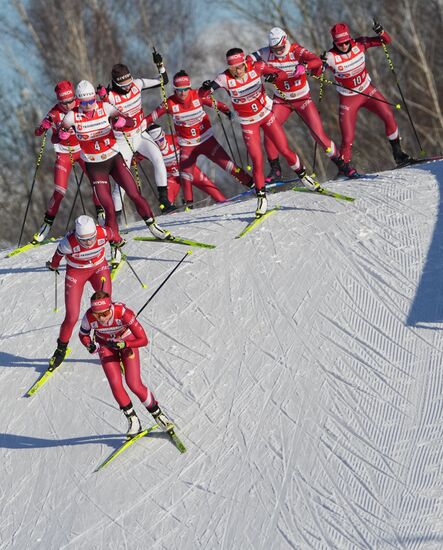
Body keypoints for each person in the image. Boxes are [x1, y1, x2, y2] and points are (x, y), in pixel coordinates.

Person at [201, 48, 320, 218]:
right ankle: (262, 198)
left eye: (239, 67)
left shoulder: (256, 67)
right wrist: (206, 88)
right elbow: (202, 94)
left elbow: (280, 73)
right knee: (257, 161)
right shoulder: (224, 78)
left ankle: (304, 177)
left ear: (244, 63)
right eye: (233, 68)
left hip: (266, 116)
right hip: (249, 124)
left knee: (284, 149)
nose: (237, 71)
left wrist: (274, 76)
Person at [59, 80, 170, 260]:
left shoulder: (105, 107)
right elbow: (57, 137)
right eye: (84, 103)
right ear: (78, 102)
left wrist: (121, 121)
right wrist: (61, 134)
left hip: (114, 159)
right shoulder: (72, 116)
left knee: (134, 193)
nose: (89, 106)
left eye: (91, 101)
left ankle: (153, 227)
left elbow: (131, 120)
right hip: (95, 167)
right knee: (109, 207)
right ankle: (115, 246)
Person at [250, 28, 358, 180]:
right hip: (282, 101)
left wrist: (304, 66)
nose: (278, 51)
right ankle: (276, 171)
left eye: (280, 47)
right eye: (275, 48)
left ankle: (344, 166)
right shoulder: (266, 52)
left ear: (285, 41)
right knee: (269, 133)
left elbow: (317, 60)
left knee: (318, 135)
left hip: (302, 99)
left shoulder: (296, 50)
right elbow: (248, 61)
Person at [145, 70, 253, 203]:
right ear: (174, 90)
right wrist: (135, 128)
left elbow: (218, 105)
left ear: (189, 88)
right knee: (185, 175)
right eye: (179, 90)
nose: (182, 93)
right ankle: (189, 205)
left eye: (185, 89)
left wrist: (227, 112)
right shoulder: (170, 103)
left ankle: (252, 184)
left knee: (228, 165)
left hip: (206, 140)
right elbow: (151, 118)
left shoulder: (197, 95)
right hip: (186, 145)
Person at [79, 290, 174, 437]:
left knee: (133, 383)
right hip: (105, 345)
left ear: (110, 308)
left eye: (104, 314)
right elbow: (83, 334)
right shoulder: (89, 317)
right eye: (97, 315)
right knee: (115, 383)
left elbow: (143, 340)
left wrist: (125, 344)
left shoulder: (123, 313)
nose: (101, 319)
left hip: (126, 343)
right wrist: (89, 344)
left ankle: (158, 414)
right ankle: (133, 420)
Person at [322, 21, 411, 170]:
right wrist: (320, 63)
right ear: (334, 42)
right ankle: (345, 169)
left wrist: (381, 32)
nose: (343, 46)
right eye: (339, 44)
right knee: (348, 139)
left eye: (345, 42)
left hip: (367, 91)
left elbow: (385, 41)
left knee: (388, 115)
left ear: (349, 38)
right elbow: (316, 72)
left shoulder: (360, 44)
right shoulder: (331, 56)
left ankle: (399, 154)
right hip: (348, 98)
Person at [97, 52, 174, 215]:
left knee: (159, 158)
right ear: (116, 84)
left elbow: (163, 81)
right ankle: (114, 218)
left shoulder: (137, 84)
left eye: (129, 83)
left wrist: (160, 66)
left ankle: (164, 202)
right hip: (122, 141)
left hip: (139, 135)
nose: (128, 87)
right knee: (122, 183)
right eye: (124, 86)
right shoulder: (110, 96)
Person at [33, 81, 104, 243]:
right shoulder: (54, 113)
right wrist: (44, 127)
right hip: (64, 153)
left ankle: (101, 214)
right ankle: (46, 225)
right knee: (60, 191)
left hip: (84, 150)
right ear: (58, 101)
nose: (69, 105)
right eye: (63, 102)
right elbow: (40, 134)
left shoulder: (81, 104)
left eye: (71, 100)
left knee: (97, 182)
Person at [46, 215, 119, 369]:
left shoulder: (103, 233)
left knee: (105, 308)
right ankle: (60, 350)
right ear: (76, 236)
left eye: (91, 239)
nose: (88, 243)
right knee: (72, 316)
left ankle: (110, 345)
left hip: (99, 268)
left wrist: (118, 242)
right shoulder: (68, 243)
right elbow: (56, 258)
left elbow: (114, 235)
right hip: (76, 274)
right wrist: (53, 265)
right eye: (83, 240)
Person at [145, 124, 226, 207]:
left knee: (210, 187)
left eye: (161, 139)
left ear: (163, 135)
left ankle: (225, 203)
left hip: (188, 170)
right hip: (172, 177)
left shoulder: (174, 139)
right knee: (165, 203)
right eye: (155, 142)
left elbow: (190, 145)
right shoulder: (150, 149)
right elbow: (137, 158)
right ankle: (171, 214)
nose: (159, 143)